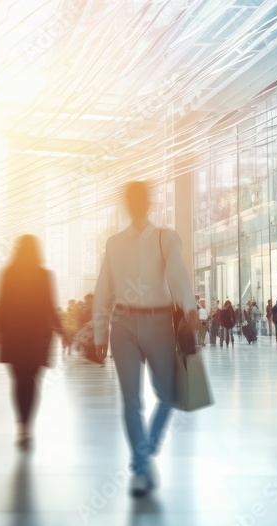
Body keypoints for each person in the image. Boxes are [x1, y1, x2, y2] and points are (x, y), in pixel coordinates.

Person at [93, 181, 198, 497]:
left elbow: (178, 275)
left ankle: (146, 449)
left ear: (148, 203)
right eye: (132, 199)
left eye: (140, 199)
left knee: (167, 395)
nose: (136, 204)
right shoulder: (114, 244)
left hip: (159, 322)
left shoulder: (166, 238)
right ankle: (141, 466)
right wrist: (100, 331)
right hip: (123, 323)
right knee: (130, 400)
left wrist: (190, 308)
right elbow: (103, 289)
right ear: (128, 204)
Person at [0, 235, 61, 450]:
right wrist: (62, 330)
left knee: (19, 381)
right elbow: (50, 306)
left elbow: (1, 304)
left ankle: (21, 426)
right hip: (38, 335)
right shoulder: (44, 275)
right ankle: (27, 427)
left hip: (14, 335)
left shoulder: (8, 274)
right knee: (31, 382)